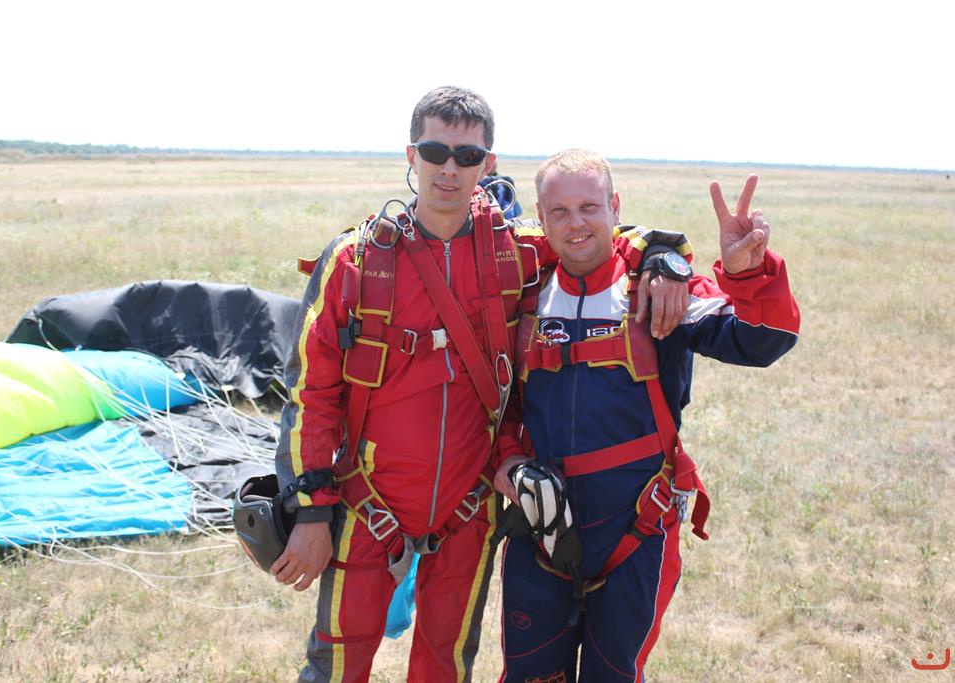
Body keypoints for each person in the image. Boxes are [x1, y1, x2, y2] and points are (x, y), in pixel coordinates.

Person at [271, 89, 690, 683]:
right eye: (434, 151)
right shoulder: (354, 262)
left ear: (487, 164)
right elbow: (309, 394)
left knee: (444, 666)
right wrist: (312, 513)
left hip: (467, 510)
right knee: (335, 667)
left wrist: (662, 255)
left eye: (467, 156)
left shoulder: (515, 252)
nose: (449, 168)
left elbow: (591, 235)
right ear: (410, 155)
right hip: (367, 504)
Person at [493, 149, 800, 682]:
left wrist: (748, 275)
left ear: (615, 207)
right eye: (559, 211)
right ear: (540, 218)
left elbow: (763, 342)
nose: (576, 223)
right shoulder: (524, 296)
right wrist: (509, 463)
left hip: (635, 531)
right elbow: (497, 407)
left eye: (590, 207)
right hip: (538, 530)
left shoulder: (658, 289)